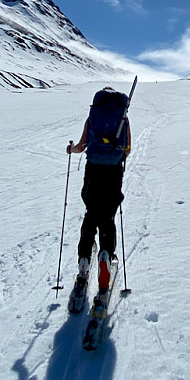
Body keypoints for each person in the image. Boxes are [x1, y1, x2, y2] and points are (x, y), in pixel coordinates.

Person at [66, 87, 131, 292]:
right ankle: (105, 254)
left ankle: (84, 262)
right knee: (108, 216)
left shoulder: (93, 115)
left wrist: (71, 149)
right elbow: (127, 148)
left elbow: (82, 145)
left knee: (91, 213)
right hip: (113, 170)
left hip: (93, 168)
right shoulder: (122, 117)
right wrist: (117, 157)